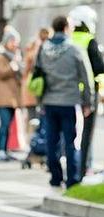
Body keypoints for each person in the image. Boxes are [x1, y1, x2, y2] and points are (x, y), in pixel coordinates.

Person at [39, 15, 92, 189]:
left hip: (49, 101)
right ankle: (73, 179)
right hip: (70, 101)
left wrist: (40, 100)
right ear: (66, 27)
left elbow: (37, 76)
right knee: (71, 142)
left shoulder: (44, 48)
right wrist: (87, 101)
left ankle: (55, 177)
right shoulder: (75, 49)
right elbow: (86, 77)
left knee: (51, 141)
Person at [69, 5, 104, 179]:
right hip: (87, 95)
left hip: (69, 94)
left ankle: (73, 169)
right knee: (86, 136)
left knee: (71, 135)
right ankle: (83, 170)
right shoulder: (89, 40)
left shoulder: (69, 40)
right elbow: (99, 68)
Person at [0, 28, 23, 161]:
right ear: (7, 41)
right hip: (2, 97)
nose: (15, 44)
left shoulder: (13, 56)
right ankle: (0, 150)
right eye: (13, 41)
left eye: (16, 41)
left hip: (11, 98)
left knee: (8, 125)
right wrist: (12, 67)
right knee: (4, 124)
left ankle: (5, 149)